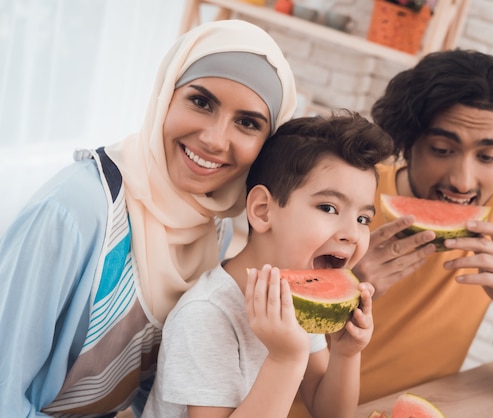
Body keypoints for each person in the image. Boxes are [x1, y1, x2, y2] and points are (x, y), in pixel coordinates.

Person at [0, 19, 298, 417]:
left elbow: (158, 382)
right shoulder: (75, 212)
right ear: (165, 97)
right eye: (201, 102)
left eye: (247, 123)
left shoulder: (213, 229)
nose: (213, 139)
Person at [285, 49, 493, 418]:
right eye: (442, 149)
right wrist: (346, 293)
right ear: (407, 142)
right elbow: (254, 339)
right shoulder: (347, 196)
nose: (463, 181)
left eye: (487, 157)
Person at [142, 111, 394, 418]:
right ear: (262, 210)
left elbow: (330, 414)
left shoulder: (300, 292)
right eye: (328, 207)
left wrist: (345, 354)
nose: (352, 234)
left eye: (363, 219)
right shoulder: (207, 315)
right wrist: (285, 360)